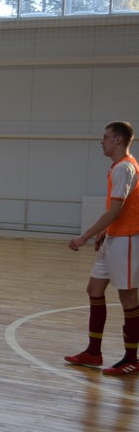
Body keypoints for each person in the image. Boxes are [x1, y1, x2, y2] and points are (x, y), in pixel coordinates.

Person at [65, 121, 139, 376]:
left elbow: (115, 211)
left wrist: (84, 236)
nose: (102, 141)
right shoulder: (118, 167)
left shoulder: (124, 168)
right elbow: (119, 210)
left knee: (128, 297)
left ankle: (132, 358)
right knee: (94, 289)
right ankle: (93, 352)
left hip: (128, 240)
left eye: (106, 137)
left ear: (118, 140)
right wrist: (105, 231)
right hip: (114, 238)